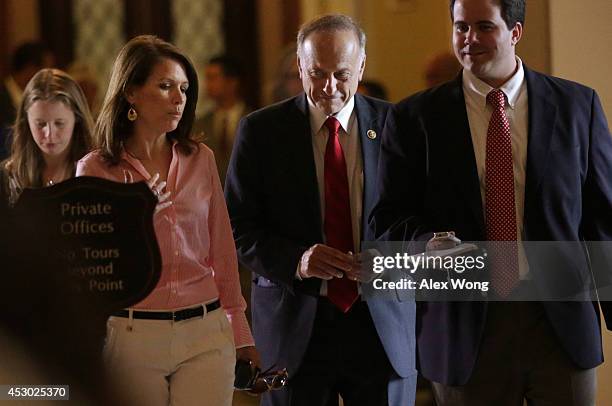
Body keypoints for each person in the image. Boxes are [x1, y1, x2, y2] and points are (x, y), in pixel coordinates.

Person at [370, 0, 612, 405]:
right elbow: (386, 219)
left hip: (559, 323)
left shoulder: (576, 106)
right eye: (461, 27)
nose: (470, 40)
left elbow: (602, 217)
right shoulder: (415, 118)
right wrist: (425, 243)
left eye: (484, 27)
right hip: (464, 329)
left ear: (515, 32)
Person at [225, 14, 417, 406]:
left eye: (342, 74)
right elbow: (238, 228)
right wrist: (299, 259)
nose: (329, 87)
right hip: (295, 326)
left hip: (379, 324)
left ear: (362, 66)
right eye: (317, 73)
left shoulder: (398, 125)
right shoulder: (261, 132)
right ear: (299, 65)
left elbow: (422, 221)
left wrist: (390, 260)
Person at [76, 35, 258, 406]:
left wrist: (241, 333)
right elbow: (92, 268)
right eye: (165, 86)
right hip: (132, 335)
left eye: (185, 89)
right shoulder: (95, 168)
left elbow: (222, 252)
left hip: (206, 333)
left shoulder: (200, 158)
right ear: (130, 93)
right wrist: (138, 221)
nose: (179, 98)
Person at [1, 68, 93, 206]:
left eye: (59, 123)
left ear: (77, 119)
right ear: (26, 122)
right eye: (40, 124)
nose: (49, 134)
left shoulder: (97, 172)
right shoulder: (8, 177)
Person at [193, 55, 251, 183]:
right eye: (207, 78)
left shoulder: (254, 120)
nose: (208, 84)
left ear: (232, 82)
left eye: (213, 78)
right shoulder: (199, 125)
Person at [0, 42, 55, 160]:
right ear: (30, 68)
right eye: (46, 71)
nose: (49, 78)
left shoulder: (41, 100)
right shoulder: (3, 98)